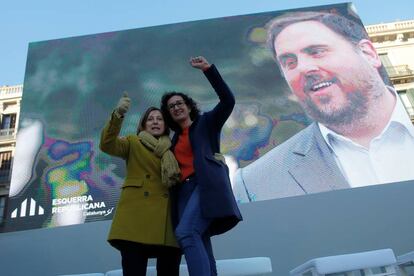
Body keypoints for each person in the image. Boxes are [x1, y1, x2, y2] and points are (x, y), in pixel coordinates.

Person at [234, 11, 414, 202]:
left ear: (369, 53)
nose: (303, 68)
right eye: (289, 62)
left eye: (317, 51)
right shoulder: (256, 182)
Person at [160, 56, 242, 276]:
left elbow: (227, 101)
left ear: (188, 106)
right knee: (199, 240)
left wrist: (209, 70)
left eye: (179, 103)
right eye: (171, 107)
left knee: (186, 233)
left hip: (203, 186)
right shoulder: (173, 141)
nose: (176, 108)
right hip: (183, 193)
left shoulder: (206, 123)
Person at [100, 95, 182, 276]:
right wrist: (118, 115)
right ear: (143, 125)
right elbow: (107, 145)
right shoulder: (132, 142)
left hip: (168, 223)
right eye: (150, 119)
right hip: (135, 221)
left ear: (166, 124)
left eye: (159, 119)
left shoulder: (175, 148)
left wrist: (212, 161)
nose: (155, 122)